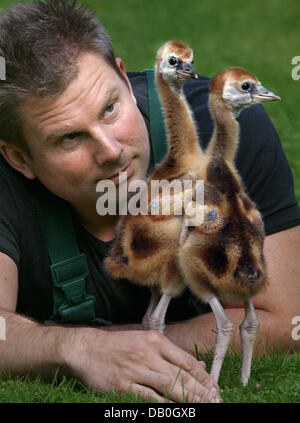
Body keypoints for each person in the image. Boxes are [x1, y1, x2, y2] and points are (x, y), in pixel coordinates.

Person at [0, 0, 299, 403]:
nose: (109, 150)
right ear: (18, 157)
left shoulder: (225, 128)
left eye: (110, 109)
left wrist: (122, 343)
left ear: (124, 77)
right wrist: (76, 348)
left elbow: (282, 321)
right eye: (68, 137)